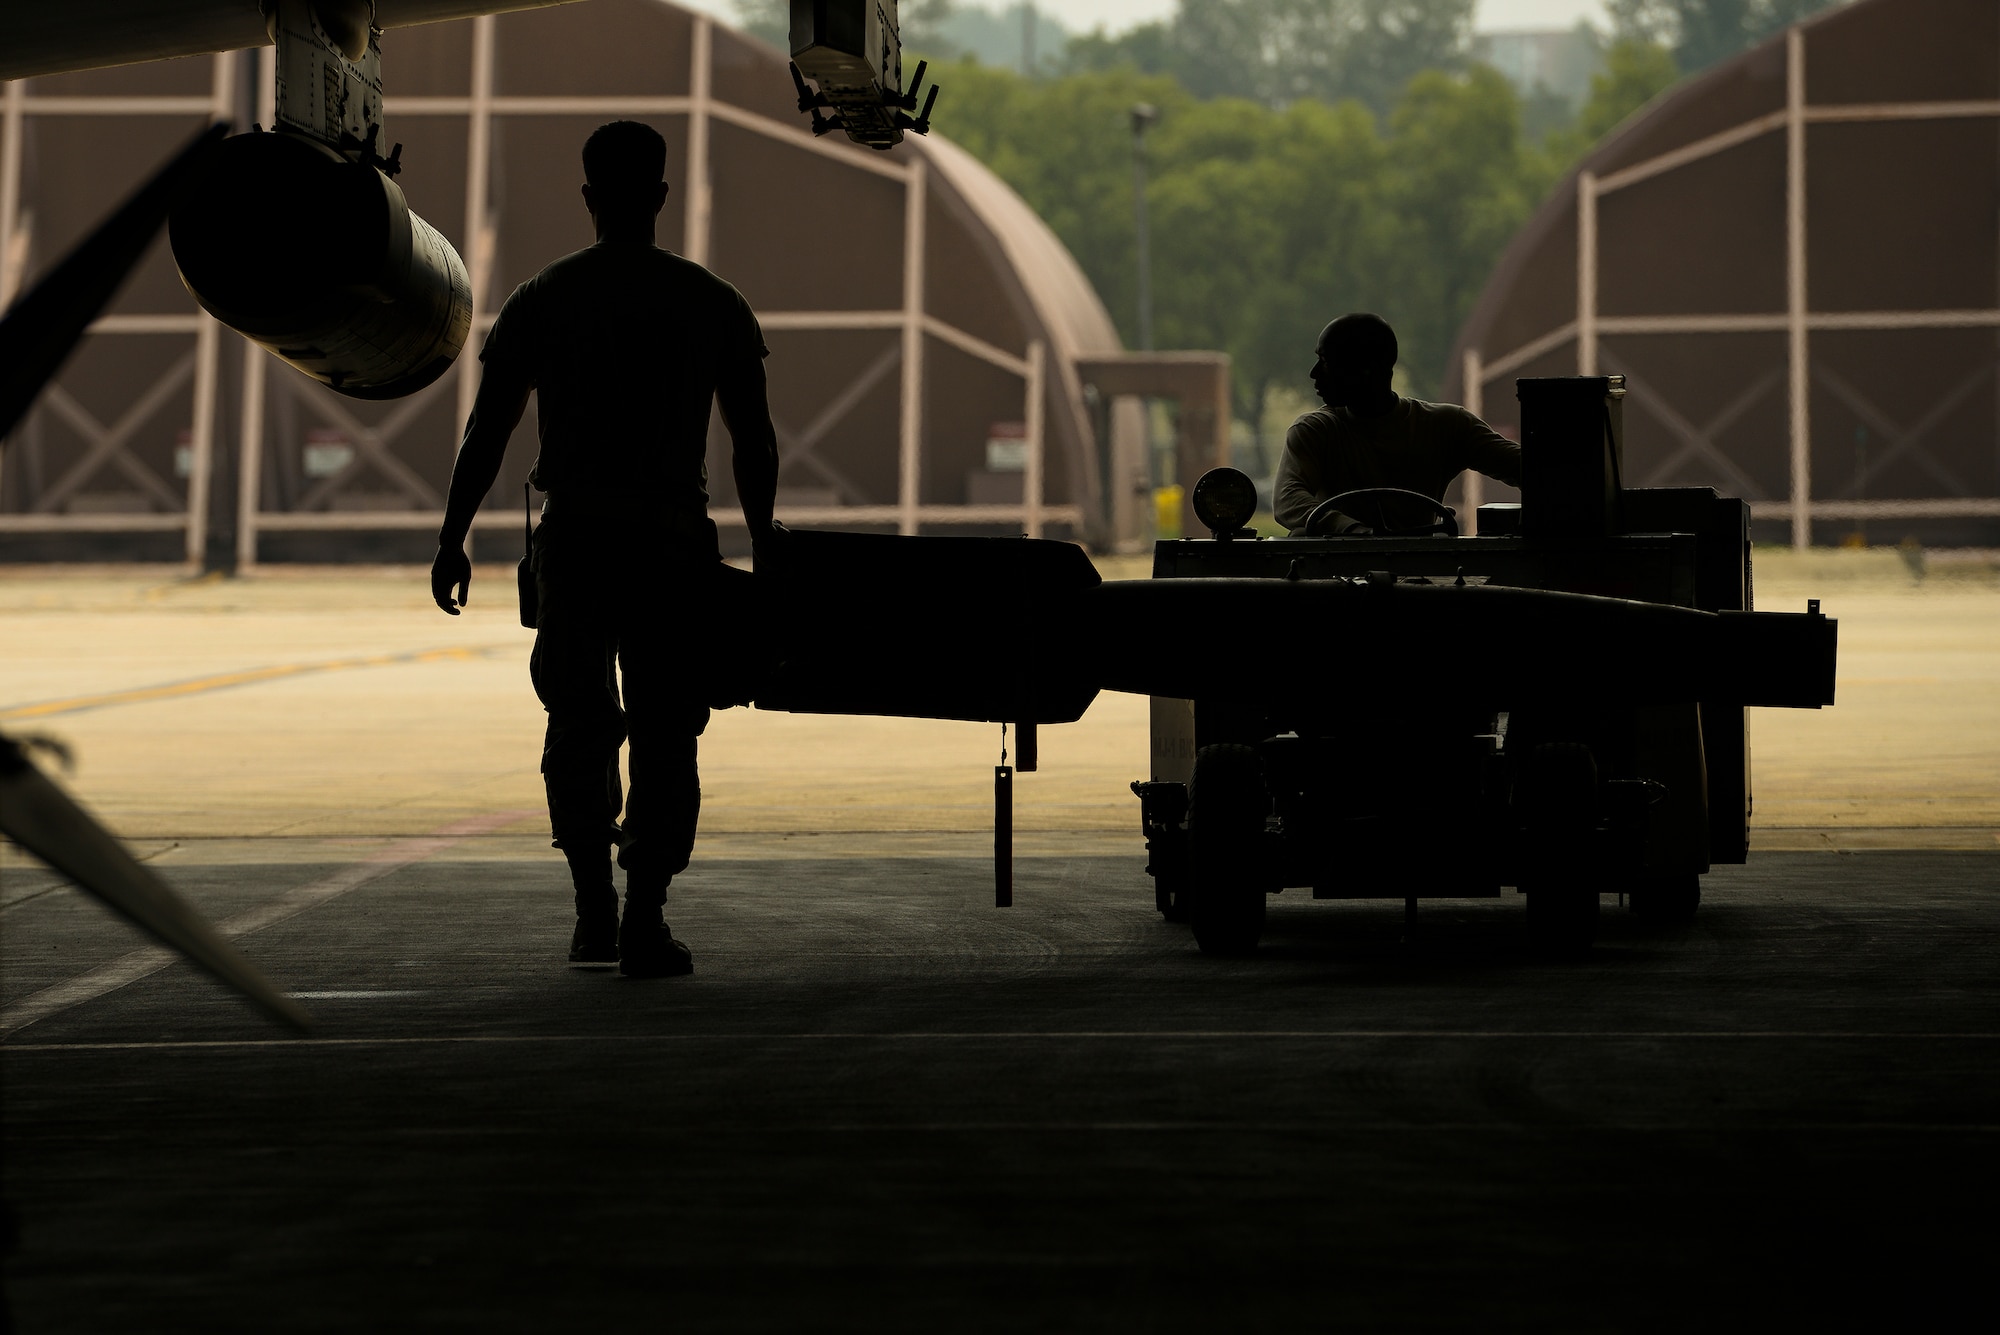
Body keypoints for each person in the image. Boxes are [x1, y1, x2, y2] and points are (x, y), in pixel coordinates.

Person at [429, 120, 779, 979]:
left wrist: (453, 536)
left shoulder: (543, 300)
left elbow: (487, 432)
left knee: (578, 724)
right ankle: (645, 920)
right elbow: (754, 441)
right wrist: (767, 547)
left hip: (578, 545)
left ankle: (593, 910)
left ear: (588, 198)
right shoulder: (714, 303)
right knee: (667, 729)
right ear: (661, 195)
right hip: (671, 548)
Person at [1272, 313, 1521, 535]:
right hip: (1389, 574)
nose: (1314, 373)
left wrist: (1355, 533)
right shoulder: (1314, 431)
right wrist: (1352, 529)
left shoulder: (1449, 425)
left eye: (1326, 361)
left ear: (1369, 369)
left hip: (1394, 574)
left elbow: (1531, 470)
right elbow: (1288, 499)